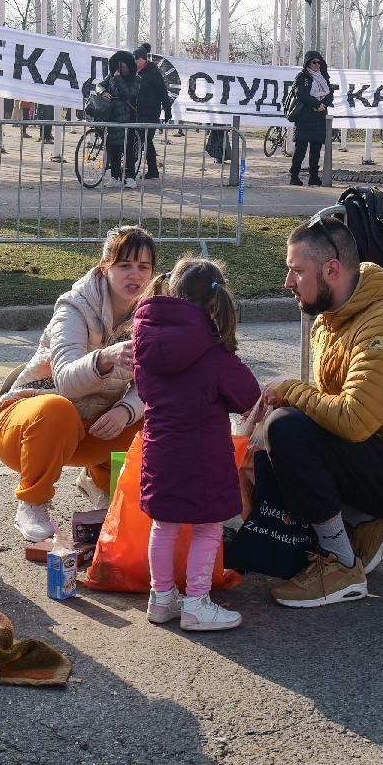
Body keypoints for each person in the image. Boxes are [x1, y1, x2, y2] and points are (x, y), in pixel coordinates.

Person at [260, 218, 383, 608]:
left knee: (287, 429)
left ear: (331, 270)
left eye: (296, 271)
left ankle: (340, 565)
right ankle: (368, 522)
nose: (287, 282)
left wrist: (290, 391)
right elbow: (331, 417)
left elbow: (353, 420)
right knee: (280, 435)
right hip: (378, 453)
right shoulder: (329, 318)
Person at [0, 225, 154, 542]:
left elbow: (155, 383)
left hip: (87, 431)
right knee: (58, 408)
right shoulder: (75, 306)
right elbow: (65, 381)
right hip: (25, 426)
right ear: (105, 268)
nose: (135, 275)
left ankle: (102, 483)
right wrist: (103, 358)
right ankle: (32, 503)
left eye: (143, 267)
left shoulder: (152, 312)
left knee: (156, 418)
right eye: (125, 265)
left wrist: (126, 410)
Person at [133, 257, 260, 632]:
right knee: (208, 528)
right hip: (204, 456)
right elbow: (247, 394)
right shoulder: (212, 351)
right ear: (215, 303)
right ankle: (197, 604)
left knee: (163, 526)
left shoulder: (145, 342)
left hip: (159, 451)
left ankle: (161, 599)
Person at [287, 51, 332, 186]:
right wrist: (316, 104)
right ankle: (294, 176)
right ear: (308, 63)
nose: (317, 65)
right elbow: (300, 93)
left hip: (319, 117)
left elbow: (330, 93)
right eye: (314, 62)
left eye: (319, 62)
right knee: (300, 149)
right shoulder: (301, 77)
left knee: (316, 150)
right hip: (304, 117)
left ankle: (314, 176)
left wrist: (323, 104)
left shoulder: (324, 77)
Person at [131, 42, 174, 182]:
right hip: (137, 111)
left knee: (145, 139)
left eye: (137, 59)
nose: (135, 62)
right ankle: (151, 169)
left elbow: (163, 92)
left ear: (143, 59)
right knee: (144, 140)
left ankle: (152, 169)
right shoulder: (135, 72)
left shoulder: (153, 72)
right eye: (134, 59)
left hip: (150, 112)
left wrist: (167, 111)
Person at [97, 50, 140, 187]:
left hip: (128, 118)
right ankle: (114, 177)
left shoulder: (136, 79)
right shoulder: (112, 75)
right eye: (119, 66)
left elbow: (128, 93)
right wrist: (102, 92)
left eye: (124, 66)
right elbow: (99, 85)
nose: (122, 69)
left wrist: (118, 79)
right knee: (113, 147)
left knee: (127, 148)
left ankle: (131, 177)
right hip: (112, 116)